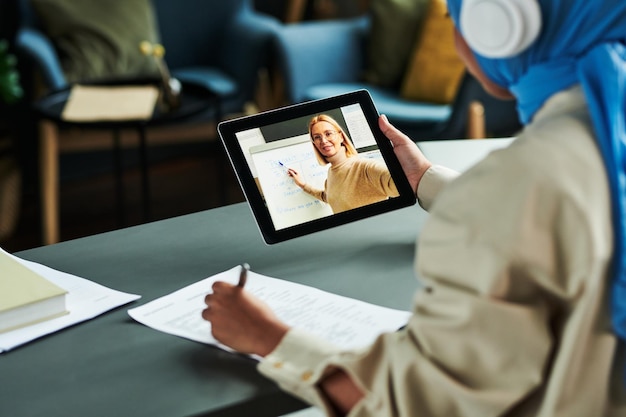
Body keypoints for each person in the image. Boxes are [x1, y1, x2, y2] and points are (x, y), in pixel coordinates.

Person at [202, 1, 626, 415]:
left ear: (498, 25)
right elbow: (550, 218)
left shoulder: (523, 183)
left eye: (453, 18)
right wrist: (422, 177)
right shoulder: (600, 136)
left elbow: (411, 403)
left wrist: (269, 338)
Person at [286, 114, 399, 213]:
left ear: (340, 136)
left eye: (328, 134)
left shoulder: (365, 167)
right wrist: (303, 185)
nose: (324, 141)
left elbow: (397, 184)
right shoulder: (330, 175)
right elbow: (328, 197)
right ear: (314, 143)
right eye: (317, 137)